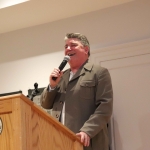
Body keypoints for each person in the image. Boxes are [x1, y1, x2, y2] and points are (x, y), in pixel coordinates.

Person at [40, 33, 113, 150]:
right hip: (61, 141)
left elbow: (105, 107)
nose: (68, 48)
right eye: (66, 46)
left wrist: (87, 131)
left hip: (87, 142)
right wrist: (52, 86)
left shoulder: (99, 72)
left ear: (86, 49)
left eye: (73, 45)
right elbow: (45, 104)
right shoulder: (61, 77)